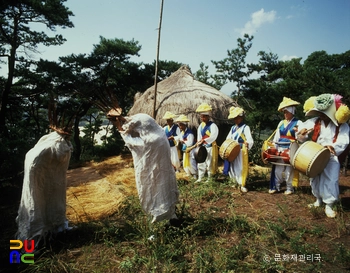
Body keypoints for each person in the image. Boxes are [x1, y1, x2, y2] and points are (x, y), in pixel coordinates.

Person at [109, 110, 179, 223]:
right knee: (167, 190)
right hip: (165, 171)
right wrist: (122, 119)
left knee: (155, 192)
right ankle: (172, 216)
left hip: (153, 174)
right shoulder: (160, 133)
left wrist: (119, 127)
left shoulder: (148, 141)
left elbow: (130, 141)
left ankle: (157, 220)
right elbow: (136, 121)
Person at [16, 127, 73, 246]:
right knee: (34, 209)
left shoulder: (46, 144)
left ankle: (54, 230)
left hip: (43, 178)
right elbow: (62, 153)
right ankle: (21, 257)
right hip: (38, 178)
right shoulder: (54, 147)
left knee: (44, 205)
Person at [297, 93, 350, 218]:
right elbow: (302, 129)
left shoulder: (342, 125)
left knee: (330, 179)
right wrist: (302, 133)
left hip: (331, 156)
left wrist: (333, 146)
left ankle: (329, 204)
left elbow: (344, 140)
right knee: (314, 177)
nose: (320, 115)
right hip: (315, 154)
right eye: (319, 112)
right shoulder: (316, 121)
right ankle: (318, 200)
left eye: (323, 113)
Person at [269, 97, 302, 195]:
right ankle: (277, 186)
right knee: (278, 170)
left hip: (290, 149)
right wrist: (274, 147)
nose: (285, 114)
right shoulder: (281, 123)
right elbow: (276, 137)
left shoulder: (298, 123)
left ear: (292, 111)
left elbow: (301, 137)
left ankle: (289, 188)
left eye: (286, 112)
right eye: (284, 112)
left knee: (289, 171)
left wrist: (299, 133)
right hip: (280, 148)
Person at [222, 107, 254, 192]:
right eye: (235, 118)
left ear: (242, 118)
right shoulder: (233, 128)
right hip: (232, 150)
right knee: (232, 167)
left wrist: (247, 143)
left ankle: (242, 184)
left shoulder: (245, 127)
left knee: (240, 167)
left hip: (241, 151)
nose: (236, 120)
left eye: (238, 118)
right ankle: (234, 182)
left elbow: (250, 140)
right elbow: (228, 138)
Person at [195, 103, 219, 182]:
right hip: (202, 147)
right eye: (201, 116)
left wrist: (205, 140)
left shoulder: (212, 125)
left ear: (208, 116)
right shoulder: (200, 126)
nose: (202, 118)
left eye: (204, 116)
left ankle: (210, 178)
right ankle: (200, 177)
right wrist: (199, 143)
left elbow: (214, 136)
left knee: (209, 162)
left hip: (210, 146)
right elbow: (199, 136)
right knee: (200, 162)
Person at [175, 114, 198, 180]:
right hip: (185, 150)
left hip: (191, 150)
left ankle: (194, 175)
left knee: (191, 162)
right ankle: (188, 173)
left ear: (184, 125)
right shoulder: (182, 133)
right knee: (185, 162)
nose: (180, 127)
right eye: (179, 125)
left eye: (181, 125)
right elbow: (178, 137)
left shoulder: (189, 133)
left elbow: (190, 143)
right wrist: (173, 138)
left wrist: (183, 141)